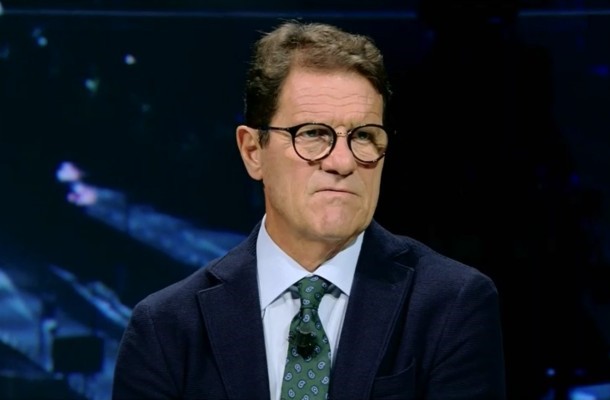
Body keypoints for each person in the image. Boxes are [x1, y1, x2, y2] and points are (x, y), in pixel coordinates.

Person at [112, 20, 506, 400]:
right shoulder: (166, 329)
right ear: (253, 151)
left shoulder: (451, 305)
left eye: (363, 136)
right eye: (313, 134)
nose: (343, 162)